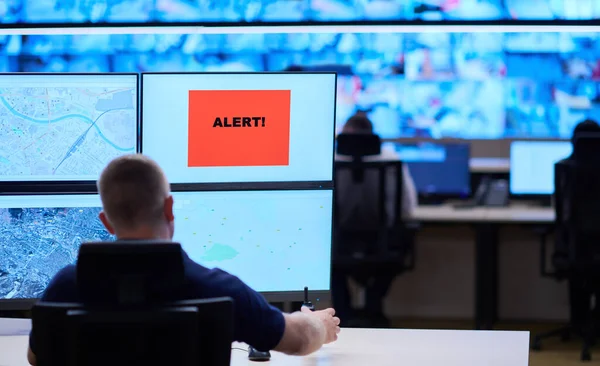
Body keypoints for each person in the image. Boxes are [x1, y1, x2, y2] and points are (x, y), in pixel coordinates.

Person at [27, 154, 340, 365]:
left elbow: (36, 357)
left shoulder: (66, 287)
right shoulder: (218, 289)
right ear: (169, 209)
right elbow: (296, 340)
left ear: (106, 222)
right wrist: (320, 326)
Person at [333, 113, 417, 326]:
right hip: (382, 246)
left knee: (330, 258)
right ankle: (373, 305)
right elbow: (408, 209)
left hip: (339, 247)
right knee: (396, 249)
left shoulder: (328, 159)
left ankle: (342, 314)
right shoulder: (392, 159)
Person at [554, 119, 600, 334]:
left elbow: (562, 214)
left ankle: (579, 324)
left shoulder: (565, 169)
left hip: (574, 250)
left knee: (580, 267)